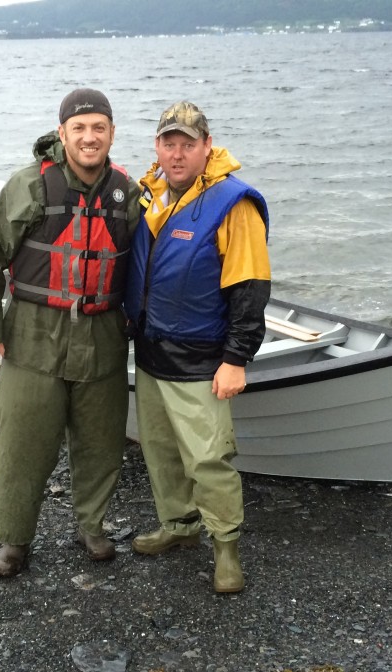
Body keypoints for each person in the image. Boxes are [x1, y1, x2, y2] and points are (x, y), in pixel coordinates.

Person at [0, 88, 140, 578]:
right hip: (32, 338)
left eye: (99, 128)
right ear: (62, 133)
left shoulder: (126, 194)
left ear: (111, 133)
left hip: (103, 338)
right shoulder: (29, 187)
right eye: (80, 128)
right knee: (23, 444)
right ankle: (14, 539)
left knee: (101, 442)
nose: (90, 137)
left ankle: (92, 527)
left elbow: (142, 268)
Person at [124, 101, 271, 593]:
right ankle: (179, 526)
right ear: (157, 147)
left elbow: (250, 288)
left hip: (202, 358)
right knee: (161, 451)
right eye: (169, 142)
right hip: (150, 352)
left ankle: (225, 548)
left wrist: (236, 359)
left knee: (208, 459)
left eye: (189, 143)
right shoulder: (151, 195)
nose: (178, 152)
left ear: (208, 146)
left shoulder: (235, 203)